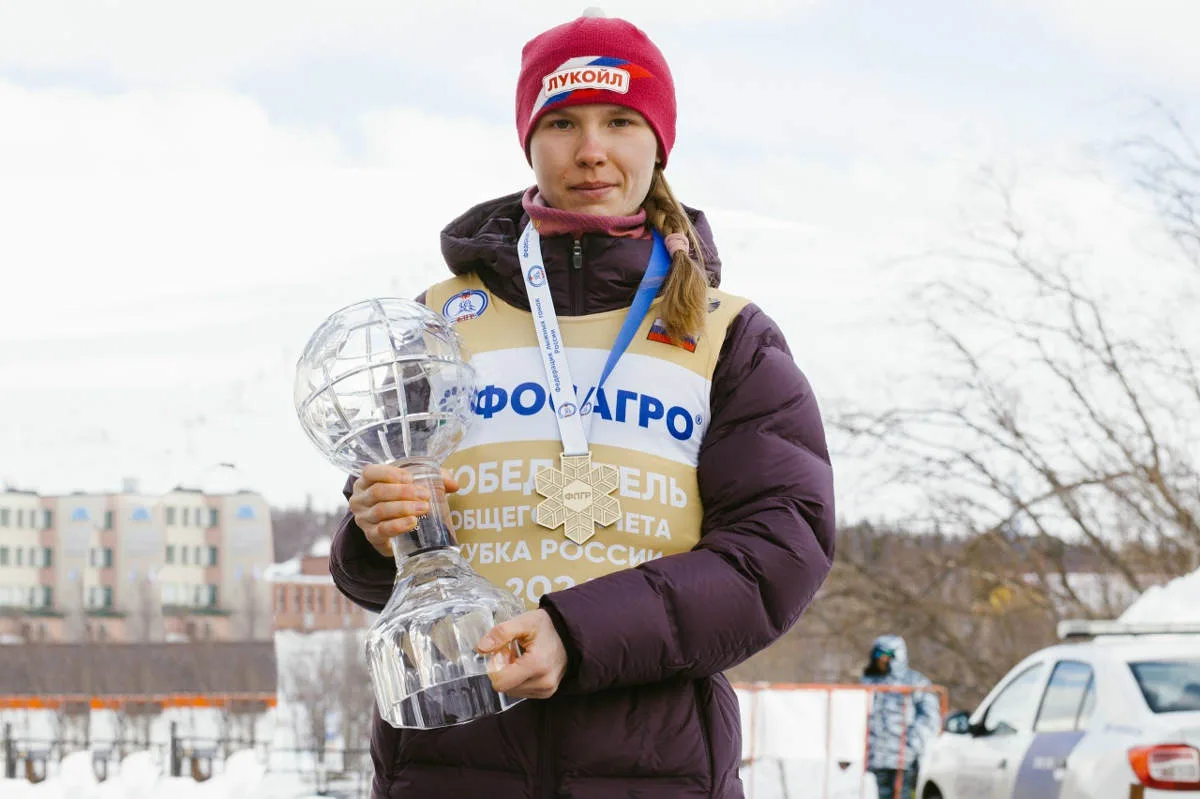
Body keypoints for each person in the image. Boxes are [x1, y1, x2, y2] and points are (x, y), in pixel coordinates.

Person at [329, 10, 836, 798]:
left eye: (620, 121)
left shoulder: (727, 334)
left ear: (658, 143)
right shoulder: (441, 321)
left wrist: (577, 633)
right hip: (452, 764)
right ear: (529, 142)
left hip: (654, 769)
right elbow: (379, 572)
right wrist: (373, 532)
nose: (591, 149)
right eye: (562, 122)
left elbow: (775, 556)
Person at [861, 635, 941, 799]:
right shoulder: (867, 682)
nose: (882, 659)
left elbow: (930, 717)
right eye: (878, 654)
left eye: (887, 655)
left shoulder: (915, 682)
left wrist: (912, 744)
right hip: (873, 759)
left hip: (902, 759)